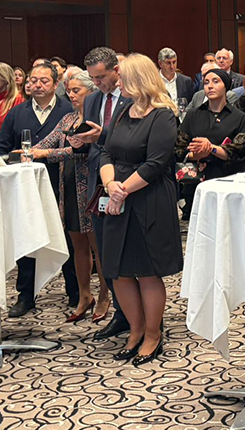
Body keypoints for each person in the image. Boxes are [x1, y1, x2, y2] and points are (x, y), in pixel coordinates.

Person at [97, 54, 180, 366]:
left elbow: (156, 163)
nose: (118, 82)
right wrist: (110, 185)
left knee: (146, 271)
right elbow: (106, 151)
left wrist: (123, 190)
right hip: (117, 195)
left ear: (139, 79)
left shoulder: (163, 115)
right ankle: (135, 331)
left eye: (123, 77)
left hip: (148, 198)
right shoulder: (123, 110)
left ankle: (153, 334)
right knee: (118, 270)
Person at [29, 71, 111, 323]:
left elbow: (79, 149)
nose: (72, 95)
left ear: (91, 91)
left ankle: (105, 294)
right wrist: (29, 151)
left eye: (77, 90)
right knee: (78, 245)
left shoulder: (99, 120)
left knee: (99, 247)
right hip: (70, 188)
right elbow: (48, 142)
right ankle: (85, 295)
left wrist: (46, 154)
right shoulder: (68, 118)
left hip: (92, 188)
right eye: (70, 91)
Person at [0, 62, 73, 317]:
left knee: (67, 238)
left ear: (56, 84)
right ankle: (25, 295)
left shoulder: (68, 109)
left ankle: (75, 291)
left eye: (44, 81)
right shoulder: (17, 113)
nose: (37, 85)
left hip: (61, 183)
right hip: (25, 187)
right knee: (26, 239)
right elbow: (2, 148)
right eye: (33, 81)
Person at [75, 46, 133, 341]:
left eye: (100, 77)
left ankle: (143, 317)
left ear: (116, 70)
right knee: (106, 252)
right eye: (93, 78)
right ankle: (121, 314)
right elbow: (95, 142)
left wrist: (102, 135)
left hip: (129, 182)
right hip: (99, 183)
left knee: (132, 254)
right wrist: (81, 141)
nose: (96, 83)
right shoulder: (92, 99)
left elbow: (133, 137)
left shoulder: (133, 95)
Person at [175, 68, 245, 197]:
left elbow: (240, 153)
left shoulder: (239, 117)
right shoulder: (193, 114)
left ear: (226, 86)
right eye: (206, 82)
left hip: (227, 183)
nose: (210, 86)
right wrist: (196, 155)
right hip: (195, 185)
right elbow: (178, 149)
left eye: (215, 81)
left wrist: (211, 148)